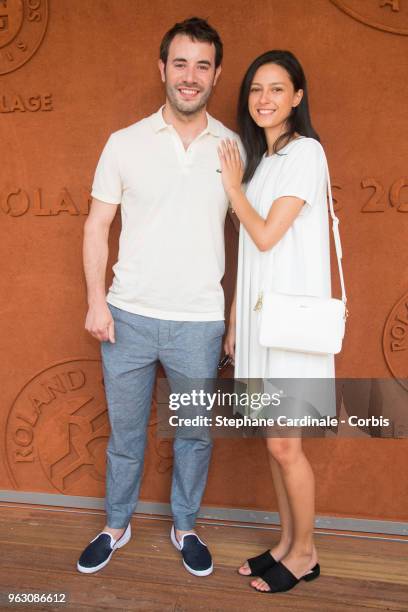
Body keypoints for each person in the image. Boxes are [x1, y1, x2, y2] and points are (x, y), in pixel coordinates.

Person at [78, 17, 240, 577]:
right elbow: (98, 225)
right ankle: (114, 524)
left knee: (195, 435)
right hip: (127, 317)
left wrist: (234, 321)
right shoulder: (123, 143)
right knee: (125, 435)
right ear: (162, 69)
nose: (189, 76)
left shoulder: (234, 147)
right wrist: (97, 301)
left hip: (199, 323)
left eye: (202, 65)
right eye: (180, 63)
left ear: (216, 74)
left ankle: (185, 525)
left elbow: (252, 244)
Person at [218, 50, 335, 593]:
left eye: (276, 88)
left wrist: (233, 187)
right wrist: (236, 322)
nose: (264, 99)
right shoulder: (264, 163)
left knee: (287, 445)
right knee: (273, 440)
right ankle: (287, 543)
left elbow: (266, 234)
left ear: (297, 97)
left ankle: (306, 552)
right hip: (262, 326)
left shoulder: (306, 154)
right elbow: (252, 254)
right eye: (255, 89)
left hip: (291, 327)